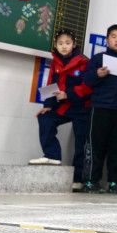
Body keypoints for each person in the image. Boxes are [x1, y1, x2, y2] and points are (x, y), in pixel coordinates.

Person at [30, 29, 91, 192]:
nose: (64, 46)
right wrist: (47, 106)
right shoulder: (55, 62)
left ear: (74, 44)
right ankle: (52, 155)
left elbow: (88, 86)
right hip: (63, 106)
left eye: (68, 43)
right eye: (60, 43)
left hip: (82, 108)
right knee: (44, 117)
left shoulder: (84, 62)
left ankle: (78, 179)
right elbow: (51, 85)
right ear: (56, 45)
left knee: (81, 143)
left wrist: (68, 94)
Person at [82, 24, 117, 194]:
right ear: (107, 40)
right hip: (100, 107)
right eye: (113, 36)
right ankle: (91, 180)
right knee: (95, 145)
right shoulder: (98, 58)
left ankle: (115, 182)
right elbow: (86, 80)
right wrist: (97, 74)